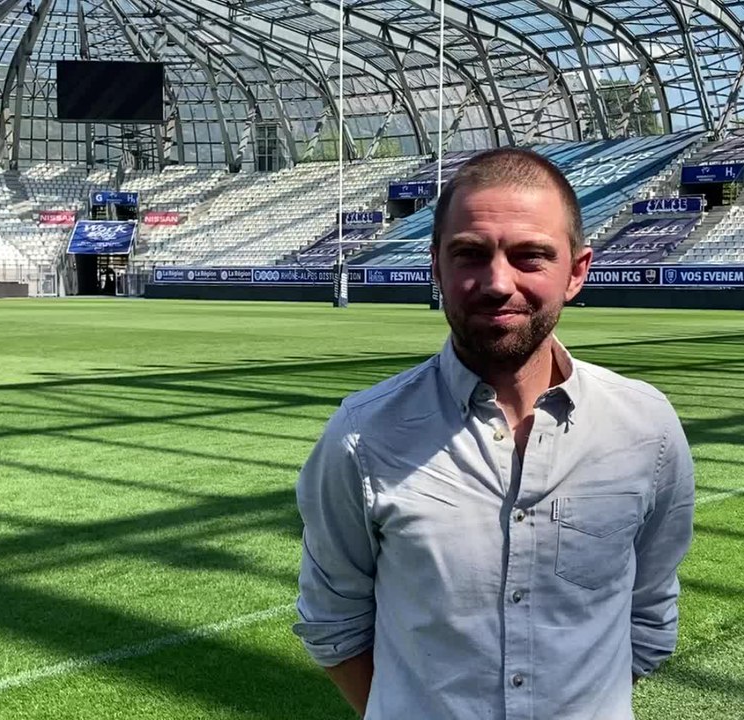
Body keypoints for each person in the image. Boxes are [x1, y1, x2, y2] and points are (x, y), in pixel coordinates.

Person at [293, 147, 696, 720]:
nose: (497, 282)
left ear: (577, 272)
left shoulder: (646, 429)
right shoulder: (363, 436)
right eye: (470, 254)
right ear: (436, 267)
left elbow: (649, 613)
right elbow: (332, 625)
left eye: (531, 256)